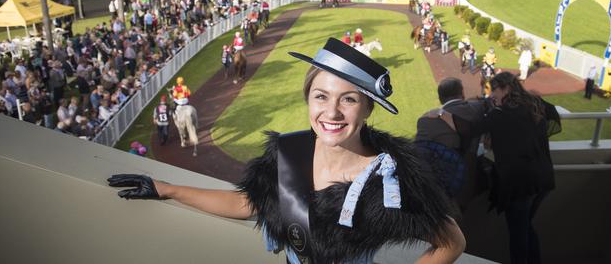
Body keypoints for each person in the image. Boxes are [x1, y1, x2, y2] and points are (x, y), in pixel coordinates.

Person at [108, 37, 466, 264]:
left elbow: (451, 241)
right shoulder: (287, 151)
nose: (332, 112)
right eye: (321, 96)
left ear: (368, 109)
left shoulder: (391, 178)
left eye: (349, 99)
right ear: (308, 99)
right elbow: (249, 204)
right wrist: (168, 190)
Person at [484, 72, 561, 264]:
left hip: (521, 183)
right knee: (525, 227)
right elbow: (553, 119)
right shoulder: (535, 104)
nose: (491, 94)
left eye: (494, 89)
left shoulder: (501, 114)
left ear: (506, 88)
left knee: (518, 233)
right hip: (543, 177)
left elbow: (473, 128)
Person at [415, 78, 487, 212]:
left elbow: (418, 157)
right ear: (462, 92)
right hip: (472, 177)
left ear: (440, 98)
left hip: (445, 187)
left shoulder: (426, 120)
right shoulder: (478, 108)